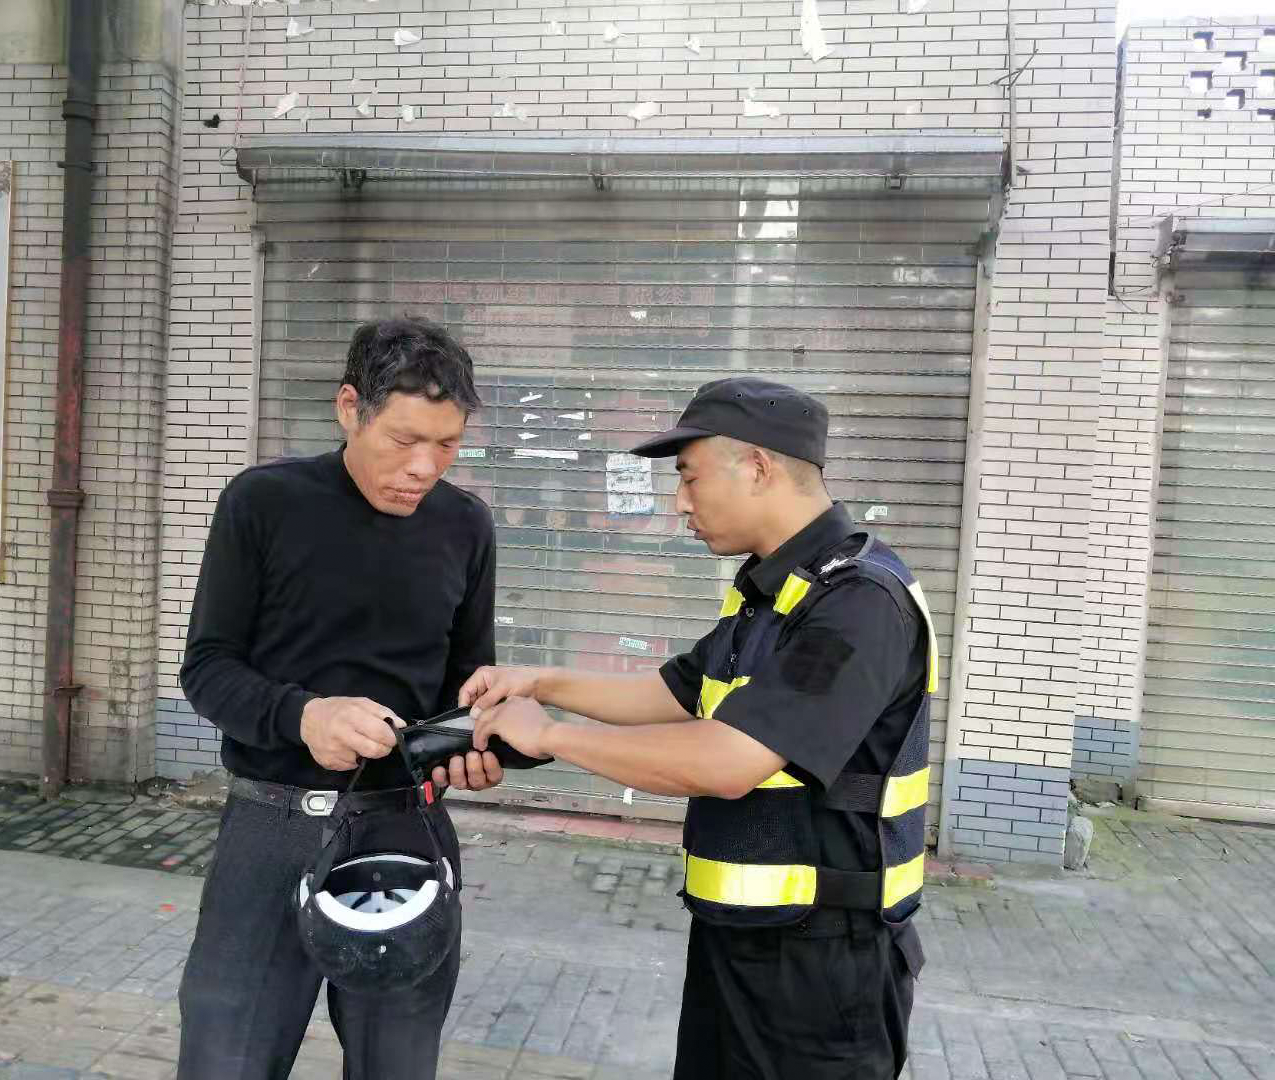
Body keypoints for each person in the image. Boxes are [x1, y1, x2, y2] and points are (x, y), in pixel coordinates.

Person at [464, 377, 934, 1080]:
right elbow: (674, 690)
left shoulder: (857, 602)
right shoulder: (773, 591)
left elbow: (729, 761)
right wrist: (537, 682)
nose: (679, 502)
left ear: (759, 466)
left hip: (823, 969)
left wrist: (552, 736)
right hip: (742, 942)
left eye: (689, 477)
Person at [177, 316, 504, 1080]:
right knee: (227, 1056)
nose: (424, 467)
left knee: (398, 1062)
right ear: (349, 407)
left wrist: (471, 746)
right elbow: (207, 668)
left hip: (405, 828)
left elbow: (468, 681)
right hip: (271, 825)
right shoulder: (264, 502)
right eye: (403, 439)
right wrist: (303, 716)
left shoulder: (466, 526)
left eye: (447, 445)